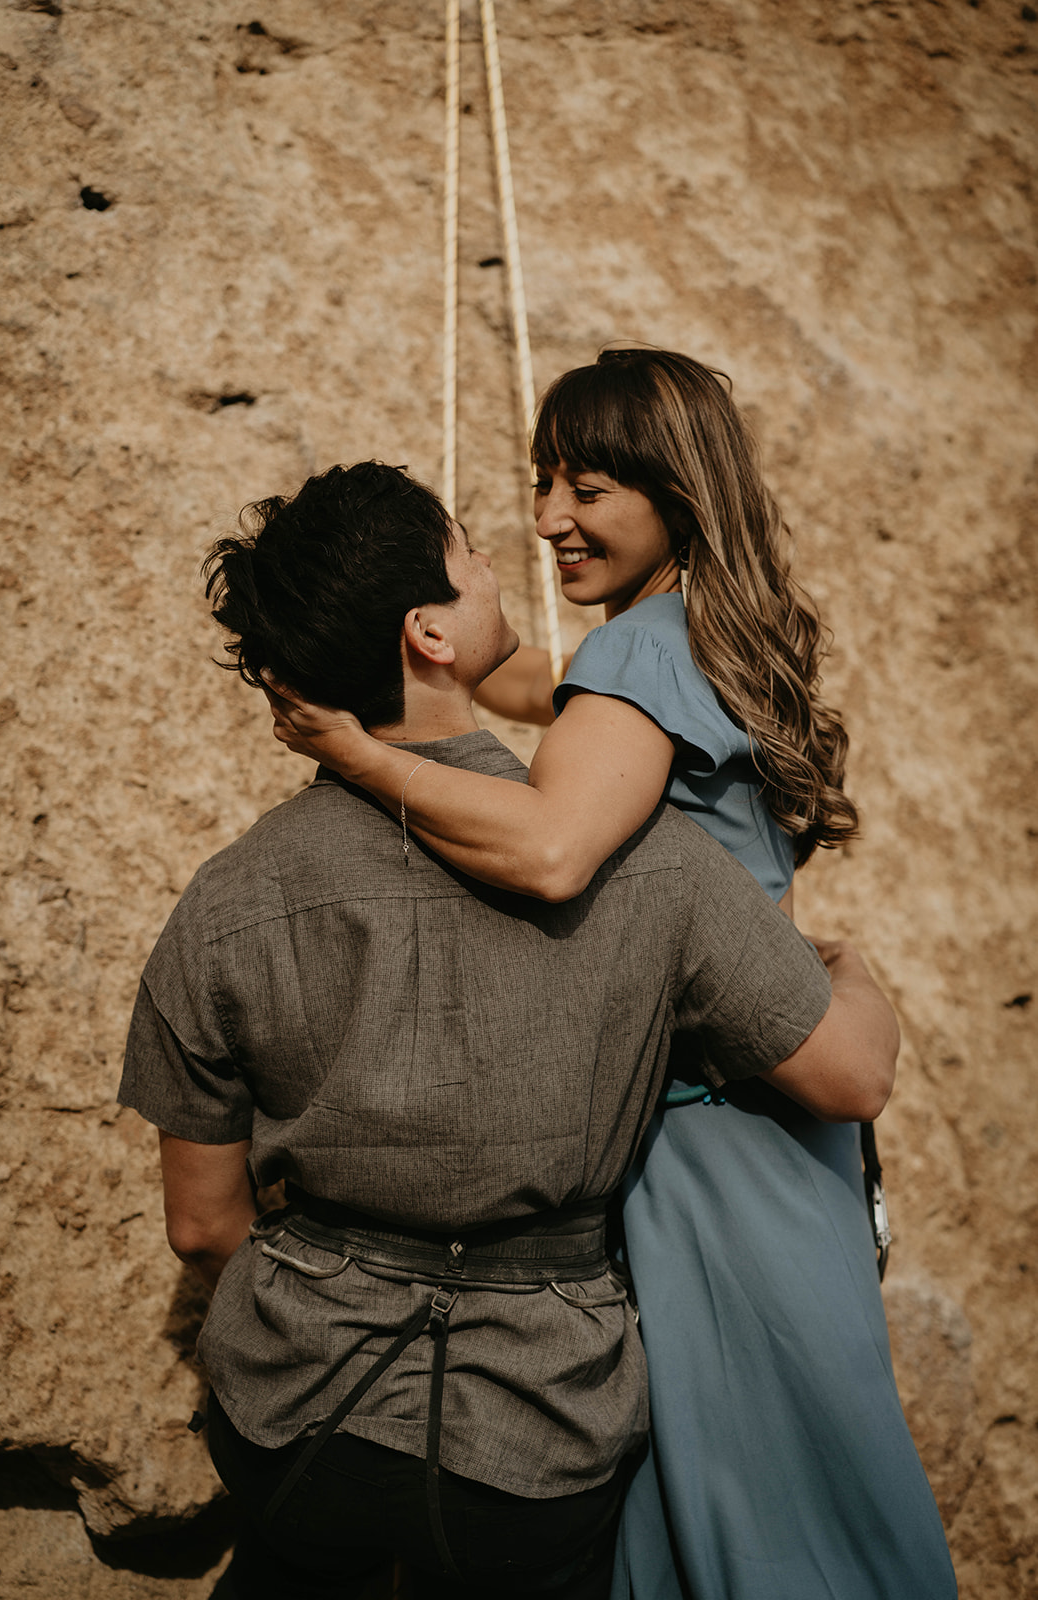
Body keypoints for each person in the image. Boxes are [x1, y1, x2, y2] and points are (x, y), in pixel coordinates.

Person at [120, 459, 899, 1600]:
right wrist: (859, 972)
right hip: (536, 1446)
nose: (501, 562)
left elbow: (202, 1228)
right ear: (429, 633)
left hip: (293, 1420)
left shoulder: (229, 897)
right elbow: (850, 1073)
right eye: (469, 549)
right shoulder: (655, 865)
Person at [267, 352, 958, 1600]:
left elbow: (545, 849)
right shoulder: (688, 634)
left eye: (585, 485)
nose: (545, 518)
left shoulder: (640, 660)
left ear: (674, 491)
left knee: (749, 1511)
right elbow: (539, 685)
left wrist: (352, 750)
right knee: (777, 1490)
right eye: (541, 483)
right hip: (776, 1138)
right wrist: (438, 651)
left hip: (711, 1150)